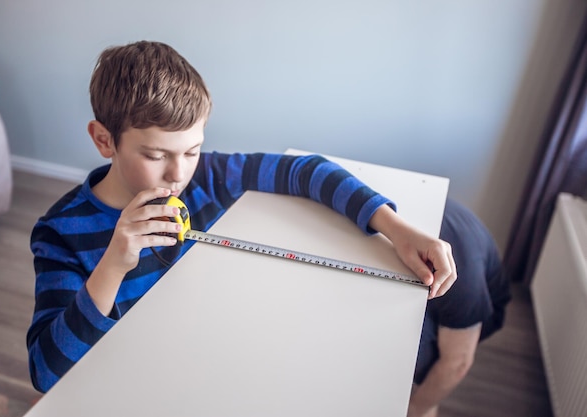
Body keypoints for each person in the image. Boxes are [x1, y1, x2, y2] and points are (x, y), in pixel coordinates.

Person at [26, 40, 457, 393]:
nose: (178, 174)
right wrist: (111, 268)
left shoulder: (206, 177)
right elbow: (47, 374)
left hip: (212, 359)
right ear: (105, 140)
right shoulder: (61, 232)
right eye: (156, 155)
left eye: (192, 151)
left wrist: (396, 229)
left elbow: (305, 171)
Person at [407, 198, 512, 417]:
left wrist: (418, 408)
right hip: (447, 277)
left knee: (403, 345)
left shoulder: (462, 278)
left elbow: (458, 363)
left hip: (480, 311)